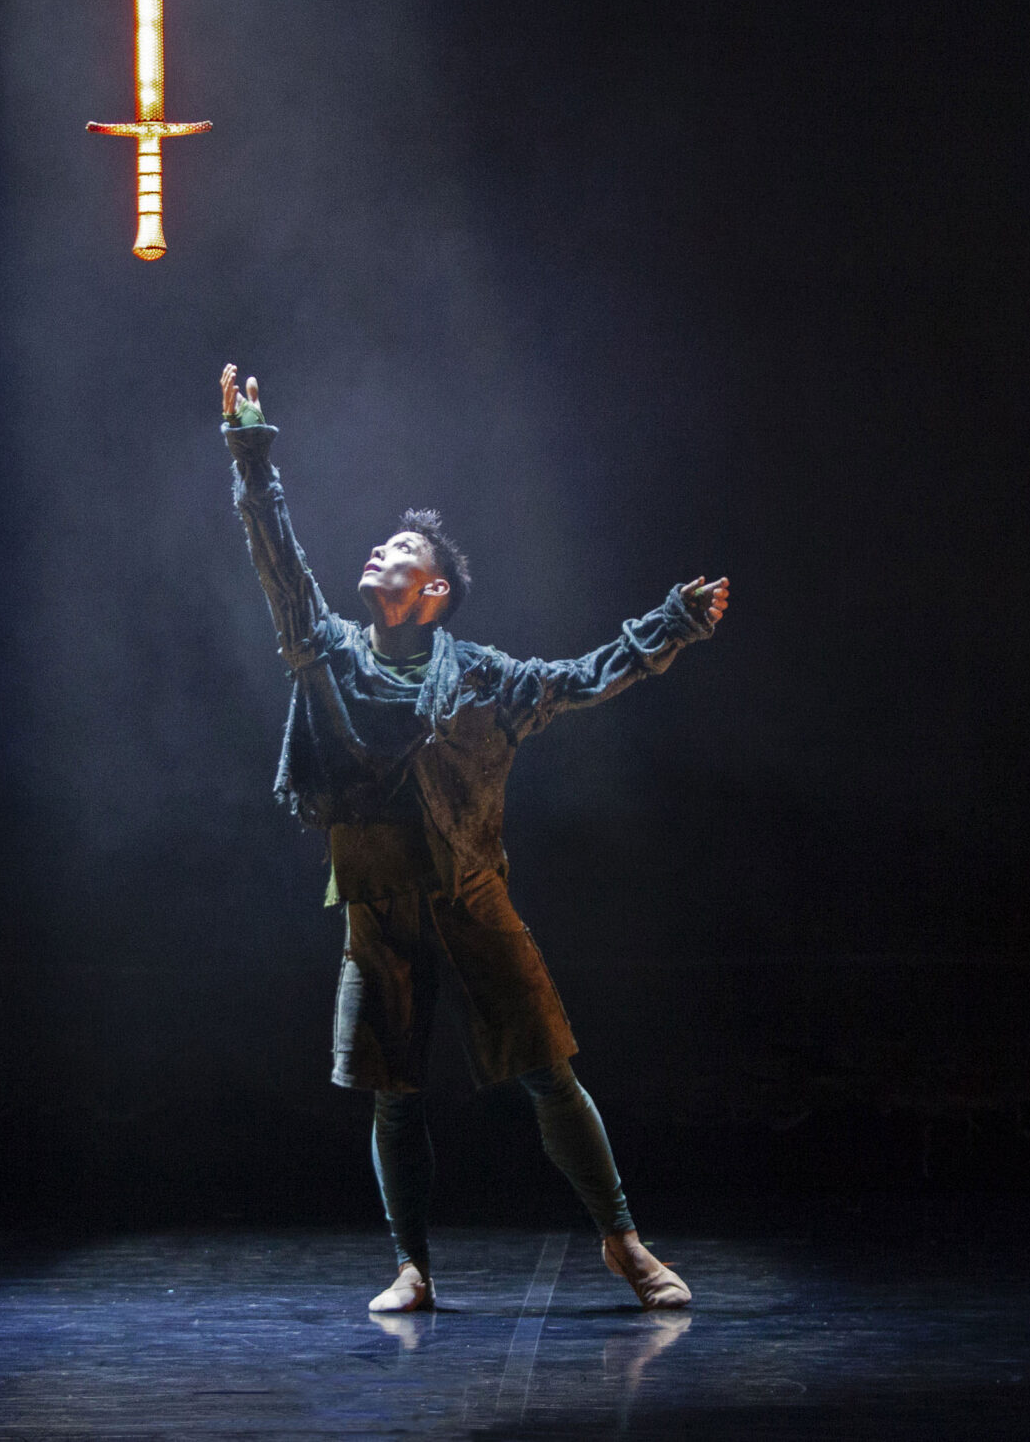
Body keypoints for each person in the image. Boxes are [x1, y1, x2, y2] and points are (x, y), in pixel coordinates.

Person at [219, 363, 730, 1314]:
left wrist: (669, 624)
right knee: (393, 1089)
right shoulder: (327, 653)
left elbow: (582, 676)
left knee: (546, 1066)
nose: (379, 550)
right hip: (376, 900)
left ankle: (623, 1241)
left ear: (438, 588)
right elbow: (281, 566)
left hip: (469, 888)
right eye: (381, 541)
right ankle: (411, 1263)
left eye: (401, 547)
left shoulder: (484, 677)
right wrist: (253, 456)